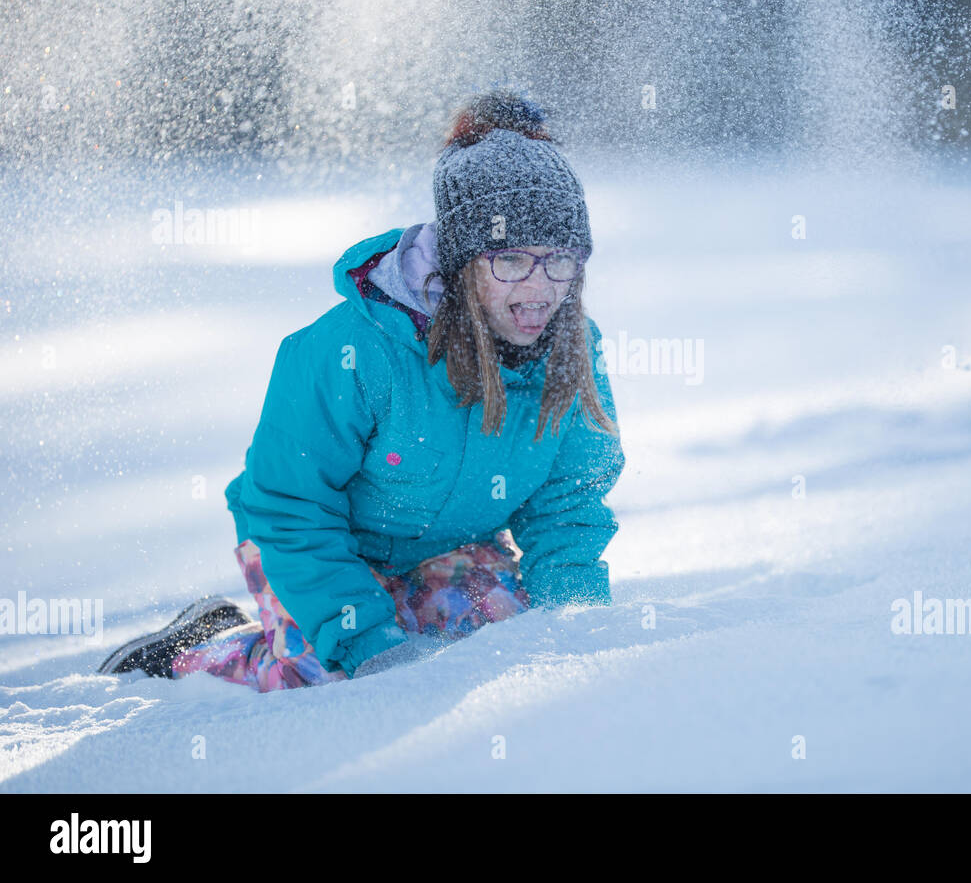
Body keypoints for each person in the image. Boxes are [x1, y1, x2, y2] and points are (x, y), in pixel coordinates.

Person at [97, 88, 625, 691]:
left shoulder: (573, 349)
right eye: (510, 260)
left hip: (447, 547)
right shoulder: (352, 349)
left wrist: (574, 624)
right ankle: (198, 654)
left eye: (560, 260)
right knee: (327, 673)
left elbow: (568, 503)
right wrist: (369, 644)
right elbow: (291, 506)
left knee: (506, 636)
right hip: (306, 543)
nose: (540, 287)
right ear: (462, 262)